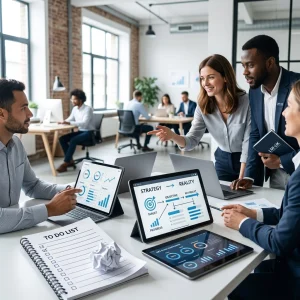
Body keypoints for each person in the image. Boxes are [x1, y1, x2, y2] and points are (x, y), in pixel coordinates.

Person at [223, 80, 300, 300]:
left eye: (290, 105)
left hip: (293, 281)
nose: (283, 112)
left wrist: (241, 223)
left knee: (231, 287)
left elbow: (279, 241)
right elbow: (293, 218)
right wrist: (253, 214)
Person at [148, 54, 251, 182]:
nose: (205, 83)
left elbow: (248, 143)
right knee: (221, 199)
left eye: (211, 77)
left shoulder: (246, 102)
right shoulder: (203, 106)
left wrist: (241, 178)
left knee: (248, 199)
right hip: (222, 160)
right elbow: (191, 141)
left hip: (248, 161)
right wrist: (173, 136)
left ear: (225, 77)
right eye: (202, 78)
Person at [0, 79, 80, 234]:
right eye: (23, 108)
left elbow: (32, 186)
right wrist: (49, 209)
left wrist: (71, 190)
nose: (30, 114)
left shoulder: (15, 143)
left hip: (14, 230)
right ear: (2, 113)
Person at [232, 35, 300, 191]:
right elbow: (255, 134)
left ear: (270, 63)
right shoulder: (255, 92)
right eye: (243, 66)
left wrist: (282, 161)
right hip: (275, 173)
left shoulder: (296, 86)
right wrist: (249, 176)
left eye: (250, 65)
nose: (244, 72)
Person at [57, 89, 95, 173]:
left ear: (80, 100)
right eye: (72, 99)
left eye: (74, 99)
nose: (72, 101)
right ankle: (70, 161)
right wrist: (63, 122)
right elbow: (70, 119)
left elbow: (84, 124)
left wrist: (69, 122)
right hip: (81, 131)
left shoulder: (88, 109)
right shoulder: (75, 109)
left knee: (73, 140)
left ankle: (66, 162)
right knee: (62, 139)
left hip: (89, 132)